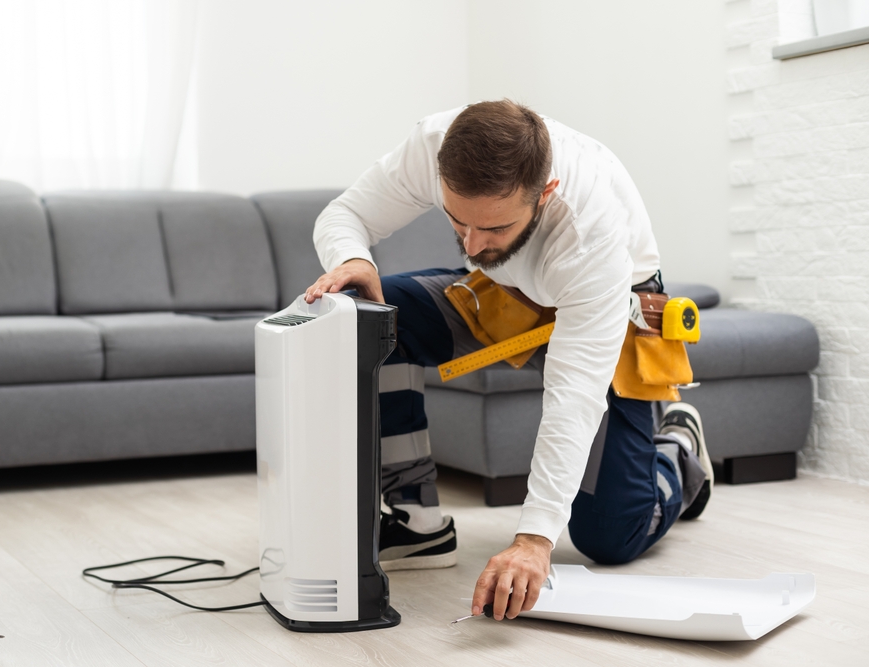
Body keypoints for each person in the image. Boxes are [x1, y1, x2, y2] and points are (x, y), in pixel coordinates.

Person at [303, 100, 713, 622]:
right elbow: (346, 213)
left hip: (613, 308)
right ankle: (415, 522)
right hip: (506, 291)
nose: (471, 244)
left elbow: (573, 398)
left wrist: (534, 539)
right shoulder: (434, 144)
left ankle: (678, 446)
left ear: (545, 195)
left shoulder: (591, 232)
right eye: (457, 221)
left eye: (494, 229)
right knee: (371, 324)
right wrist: (352, 258)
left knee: (611, 537)